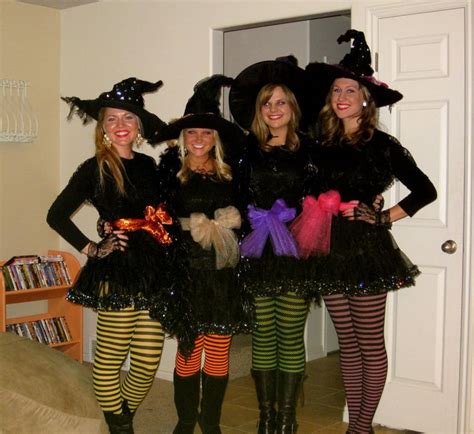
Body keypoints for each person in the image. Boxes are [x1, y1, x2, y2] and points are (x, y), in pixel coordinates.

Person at [304, 30, 437, 434]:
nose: (341, 97)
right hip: (326, 246)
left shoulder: (382, 144)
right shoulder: (318, 142)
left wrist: (383, 216)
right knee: (347, 343)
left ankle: (360, 428)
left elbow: (426, 190)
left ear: (366, 98)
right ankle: (357, 427)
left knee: (369, 343)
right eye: (336, 90)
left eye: (350, 89)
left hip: (365, 248)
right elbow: (304, 189)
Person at [47, 78, 195, 434]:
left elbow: (169, 210)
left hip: (155, 268)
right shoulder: (94, 167)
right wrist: (93, 247)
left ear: (139, 126)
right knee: (110, 358)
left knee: (146, 361)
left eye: (128, 118)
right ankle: (120, 426)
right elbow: (56, 214)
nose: (120, 125)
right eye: (111, 119)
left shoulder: (149, 165)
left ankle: (119, 413)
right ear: (103, 127)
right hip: (118, 269)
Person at [150, 75, 254, 434]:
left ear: (216, 137)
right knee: (190, 346)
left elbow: (251, 213)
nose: (198, 139)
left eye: (206, 133)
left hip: (223, 268)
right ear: (182, 137)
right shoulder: (168, 172)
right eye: (192, 132)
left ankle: (210, 422)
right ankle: (184, 420)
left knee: (220, 345)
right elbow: (152, 216)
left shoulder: (232, 173)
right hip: (186, 270)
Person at [228, 56, 315, 434]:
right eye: (267, 102)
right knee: (263, 332)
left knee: (291, 333)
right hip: (256, 251)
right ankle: (266, 415)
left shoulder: (311, 149)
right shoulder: (244, 150)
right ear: (258, 110)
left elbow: (327, 193)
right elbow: (228, 190)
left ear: (292, 108)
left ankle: (287, 417)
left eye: (281, 102)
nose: (274, 109)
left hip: (296, 249)